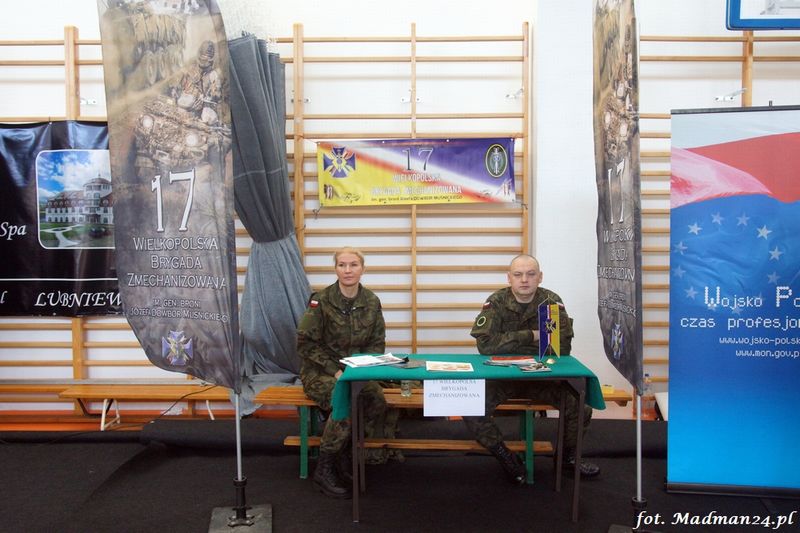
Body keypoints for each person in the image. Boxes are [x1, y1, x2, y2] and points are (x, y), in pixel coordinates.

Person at [463, 254, 601, 484]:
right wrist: (533, 336)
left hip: (541, 379)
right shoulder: (496, 302)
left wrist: (508, 342)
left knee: (580, 407)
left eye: (531, 274)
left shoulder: (551, 302)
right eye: (518, 275)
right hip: (502, 377)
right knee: (469, 406)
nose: (524, 280)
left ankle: (567, 459)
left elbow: (560, 348)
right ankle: (505, 457)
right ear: (509, 278)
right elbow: (486, 346)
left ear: (540, 277)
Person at [296, 246, 389, 499]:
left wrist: (361, 370)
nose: (348, 270)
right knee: (344, 400)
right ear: (335, 269)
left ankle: (343, 455)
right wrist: (335, 371)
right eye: (342, 265)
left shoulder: (371, 301)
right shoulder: (321, 301)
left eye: (353, 265)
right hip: (320, 372)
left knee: (376, 399)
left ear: (362, 269)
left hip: (355, 372)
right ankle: (324, 469)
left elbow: (377, 345)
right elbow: (305, 344)